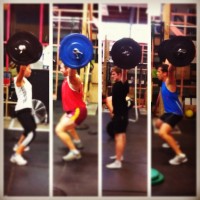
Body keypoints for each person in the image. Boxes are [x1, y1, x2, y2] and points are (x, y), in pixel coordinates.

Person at [155, 59, 188, 165]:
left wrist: (174, 59)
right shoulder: (164, 82)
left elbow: (171, 69)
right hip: (168, 112)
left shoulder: (170, 81)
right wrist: (169, 56)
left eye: (159, 72)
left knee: (162, 133)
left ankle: (180, 156)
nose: (157, 73)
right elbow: (167, 63)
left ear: (165, 73)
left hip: (176, 113)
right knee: (158, 124)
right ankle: (172, 142)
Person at [55, 62, 87, 161]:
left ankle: (75, 152)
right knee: (65, 124)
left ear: (68, 68)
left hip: (78, 111)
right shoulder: (67, 79)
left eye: (61, 68)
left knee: (59, 130)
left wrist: (71, 62)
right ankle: (77, 141)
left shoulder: (73, 79)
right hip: (71, 111)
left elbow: (72, 74)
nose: (60, 70)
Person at [10, 65, 36, 166]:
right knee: (31, 133)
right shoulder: (19, 79)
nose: (31, 70)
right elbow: (20, 74)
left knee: (28, 130)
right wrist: (22, 68)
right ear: (23, 69)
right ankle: (17, 155)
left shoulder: (25, 80)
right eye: (29, 68)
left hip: (26, 109)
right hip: (22, 110)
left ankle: (18, 145)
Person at [106, 66, 129, 169]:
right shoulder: (117, 84)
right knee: (121, 135)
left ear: (120, 75)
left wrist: (124, 64)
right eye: (112, 74)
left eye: (114, 74)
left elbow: (124, 73)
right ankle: (120, 155)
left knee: (119, 136)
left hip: (121, 115)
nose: (112, 76)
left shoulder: (123, 83)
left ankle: (118, 162)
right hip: (120, 113)